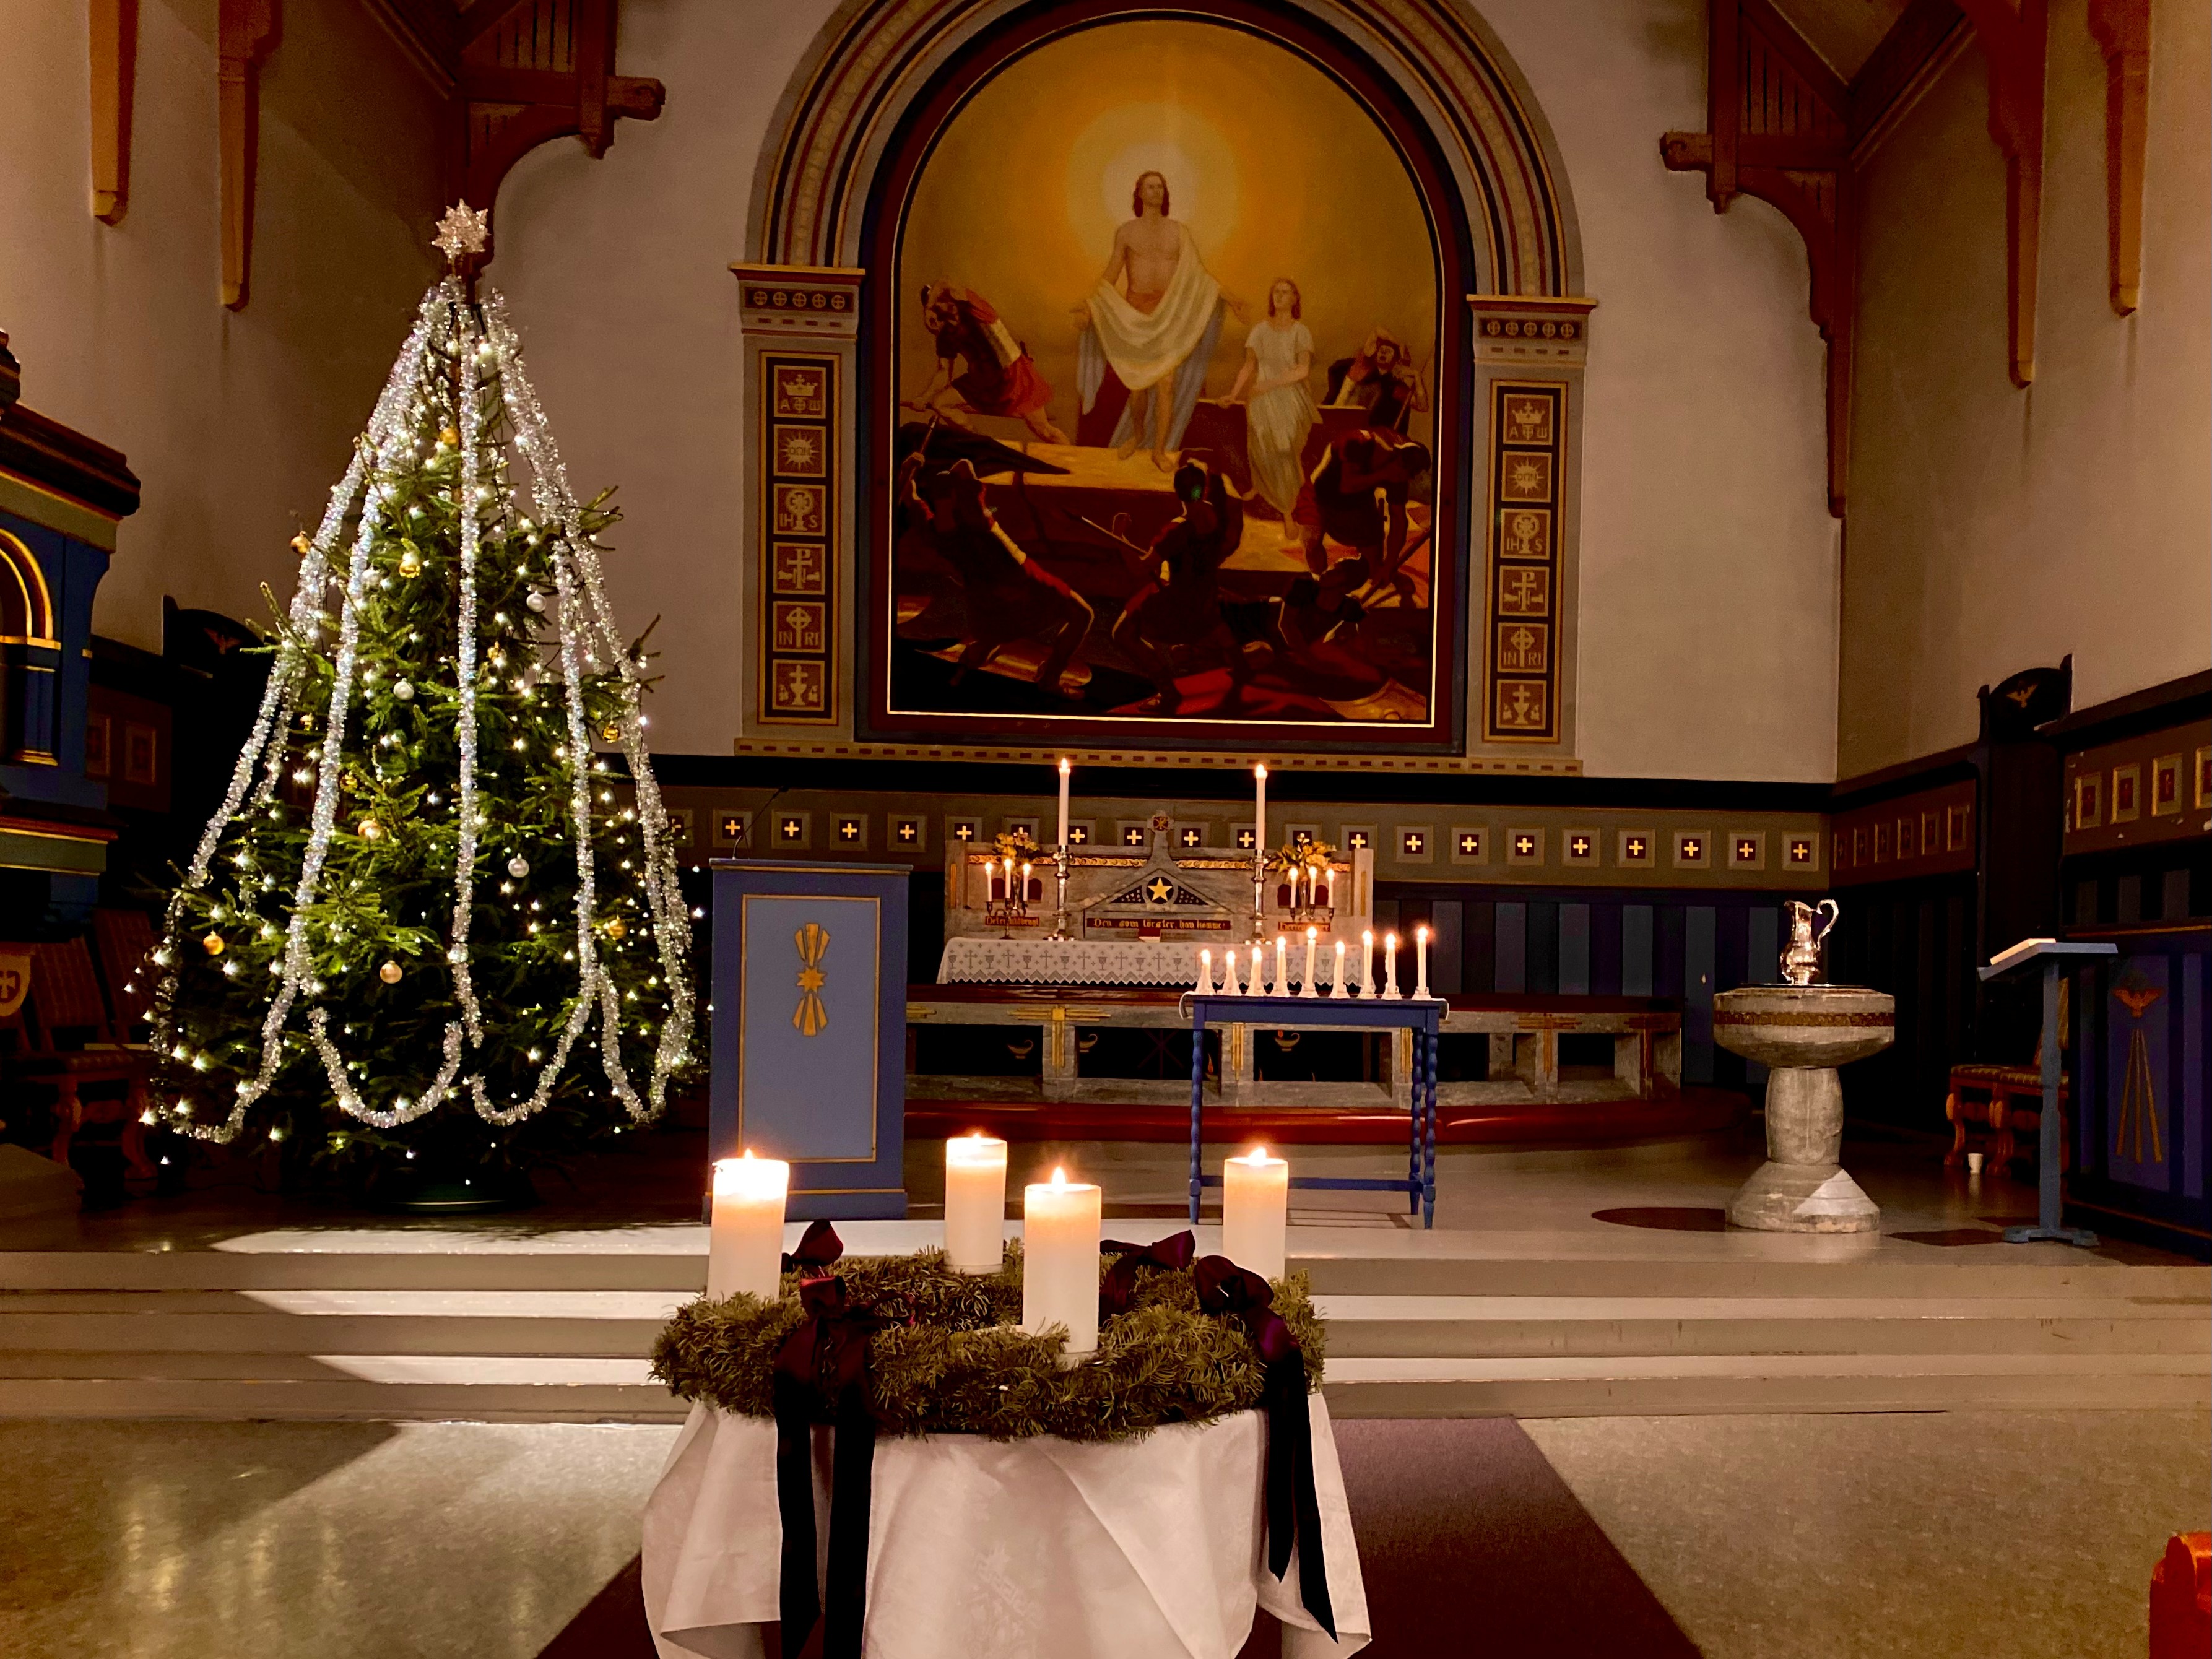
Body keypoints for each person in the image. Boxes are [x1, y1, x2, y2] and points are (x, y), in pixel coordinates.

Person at [896, 454, 1093, 697]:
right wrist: (941, 470)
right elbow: (964, 465)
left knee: (993, 633)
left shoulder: (933, 533)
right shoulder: (976, 517)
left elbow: (908, 494)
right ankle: (1050, 678)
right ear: (956, 496)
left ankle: (971, 662)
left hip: (986, 598)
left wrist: (908, 469)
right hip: (1021, 580)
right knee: (1082, 613)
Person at [1075, 171, 1228, 469]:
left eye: (1160, 187)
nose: (1156, 191)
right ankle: (1137, 435)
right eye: (1150, 187)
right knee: (1138, 389)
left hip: (1168, 315)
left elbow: (1198, 274)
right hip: (1136, 315)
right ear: (1140, 193)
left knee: (1166, 384)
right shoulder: (1126, 232)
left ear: (1165, 194)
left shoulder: (1179, 232)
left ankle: (1159, 450)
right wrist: (1089, 304)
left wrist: (1229, 297)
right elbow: (1111, 273)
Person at [1108, 459, 1247, 708]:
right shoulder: (1214, 515)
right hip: (1204, 593)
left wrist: (1118, 536)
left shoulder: (1177, 530)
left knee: (1122, 633)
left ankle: (1168, 692)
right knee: (1212, 616)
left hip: (1179, 601)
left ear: (1177, 491)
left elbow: (1139, 569)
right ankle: (1241, 666)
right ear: (1203, 490)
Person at [907, 284, 1067, 444]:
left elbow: (945, 283)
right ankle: (979, 442)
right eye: (941, 301)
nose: (950, 302)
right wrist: (924, 397)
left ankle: (1076, 458)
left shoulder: (977, 310)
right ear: (936, 310)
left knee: (1044, 431)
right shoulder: (946, 336)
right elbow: (944, 372)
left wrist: (928, 307)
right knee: (940, 403)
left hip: (1015, 380)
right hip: (981, 383)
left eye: (948, 298)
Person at [1288, 428, 1433, 606]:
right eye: (1402, 470)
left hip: (1356, 507)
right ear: (1396, 457)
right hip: (1318, 497)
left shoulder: (1398, 477)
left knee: (1374, 568)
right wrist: (1383, 474)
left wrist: (1389, 565)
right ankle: (1320, 589)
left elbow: (1399, 521)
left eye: (1408, 475)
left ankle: (1383, 573)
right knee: (1312, 544)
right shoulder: (1360, 442)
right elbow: (1346, 485)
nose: (1400, 478)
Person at [1215, 278, 1317, 527]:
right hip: (1260, 398)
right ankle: (1262, 486)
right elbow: (1249, 366)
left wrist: (1270, 385)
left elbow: (1302, 370)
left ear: (1295, 299)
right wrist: (1234, 394)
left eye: (1285, 292)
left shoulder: (1300, 331)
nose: (1279, 296)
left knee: (1284, 448)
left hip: (1290, 397)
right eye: (1276, 292)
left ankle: (1289, 508)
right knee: (1260, 447)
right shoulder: (1260, 330)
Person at [1322, 330, 1428, 435]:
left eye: (1389, 351)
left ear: (1396, 360)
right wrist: (1400, 344)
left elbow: (1422, 406)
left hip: (1380, 436)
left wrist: (1417, 375)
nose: (1384, 352)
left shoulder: (1396, 387)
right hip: (1355, 431)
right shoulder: (1365, 376)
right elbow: (1376, 332)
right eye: (1381, 350)